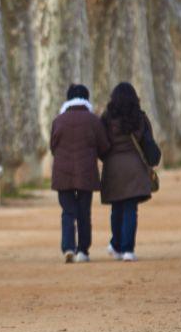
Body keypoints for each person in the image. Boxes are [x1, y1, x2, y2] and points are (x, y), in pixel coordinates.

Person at [49, 84, 110, 263]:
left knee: (68, 211)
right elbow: (104, 146)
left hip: (62, 172)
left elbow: (53, 146)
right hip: (86, 172)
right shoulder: (93, 120)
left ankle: (68, 247)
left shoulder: (58, 120)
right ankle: (83, 250)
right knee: (84, 212)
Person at [99, 83, 155, 262]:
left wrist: (107, 157)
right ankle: (128, 249)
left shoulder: (107, 118)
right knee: (131, 209)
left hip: (113, 168)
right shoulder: (139, 117)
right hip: (135, 168)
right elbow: (148, 142)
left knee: (116, 208)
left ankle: (116, 245)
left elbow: (101, 143)